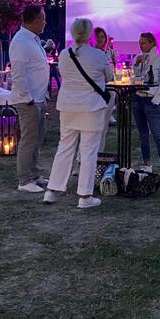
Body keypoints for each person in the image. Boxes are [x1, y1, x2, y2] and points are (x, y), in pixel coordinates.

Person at [43, 18, 112, 208]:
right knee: (89, 151)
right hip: (91, 107)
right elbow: (110, 77)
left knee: (65, 147)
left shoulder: (65, 54)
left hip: (68, 106)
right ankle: (85, 196)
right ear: (90, 34)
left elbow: (64, 75)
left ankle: (52, 190)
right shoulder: (98, 55)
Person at [9, 5, 50, 193]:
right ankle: (24, 180)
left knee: (38, 138)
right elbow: (18, 74)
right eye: (43, 19)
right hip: (28, 101)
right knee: (29, 140)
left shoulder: (33, 39)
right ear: (35, 20)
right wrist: (27, 98)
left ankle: (34, 174)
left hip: (38, 98)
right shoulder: (21, 41)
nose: (45, 22)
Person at [132, 32, 160, 186]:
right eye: (140, 42)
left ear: (151, 43)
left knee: (158, 135)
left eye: (143, 42)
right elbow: (134, 77)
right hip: (138, 98)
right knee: (143, 134)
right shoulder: (138, 58)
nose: (141, 45)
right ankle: (147, 165)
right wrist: (137, 64)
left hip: (152, 100)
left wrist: (156, 100)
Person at [94, 27, 117, 150]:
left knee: (103, 128)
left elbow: (112, 71)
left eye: (102, 37)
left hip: (109, 91)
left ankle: (99, 154)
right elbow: (109, 75)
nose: (100, 39)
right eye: (97, 37)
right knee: (95, 127)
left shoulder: (108, 53)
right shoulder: (93, 54)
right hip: (97, 93)